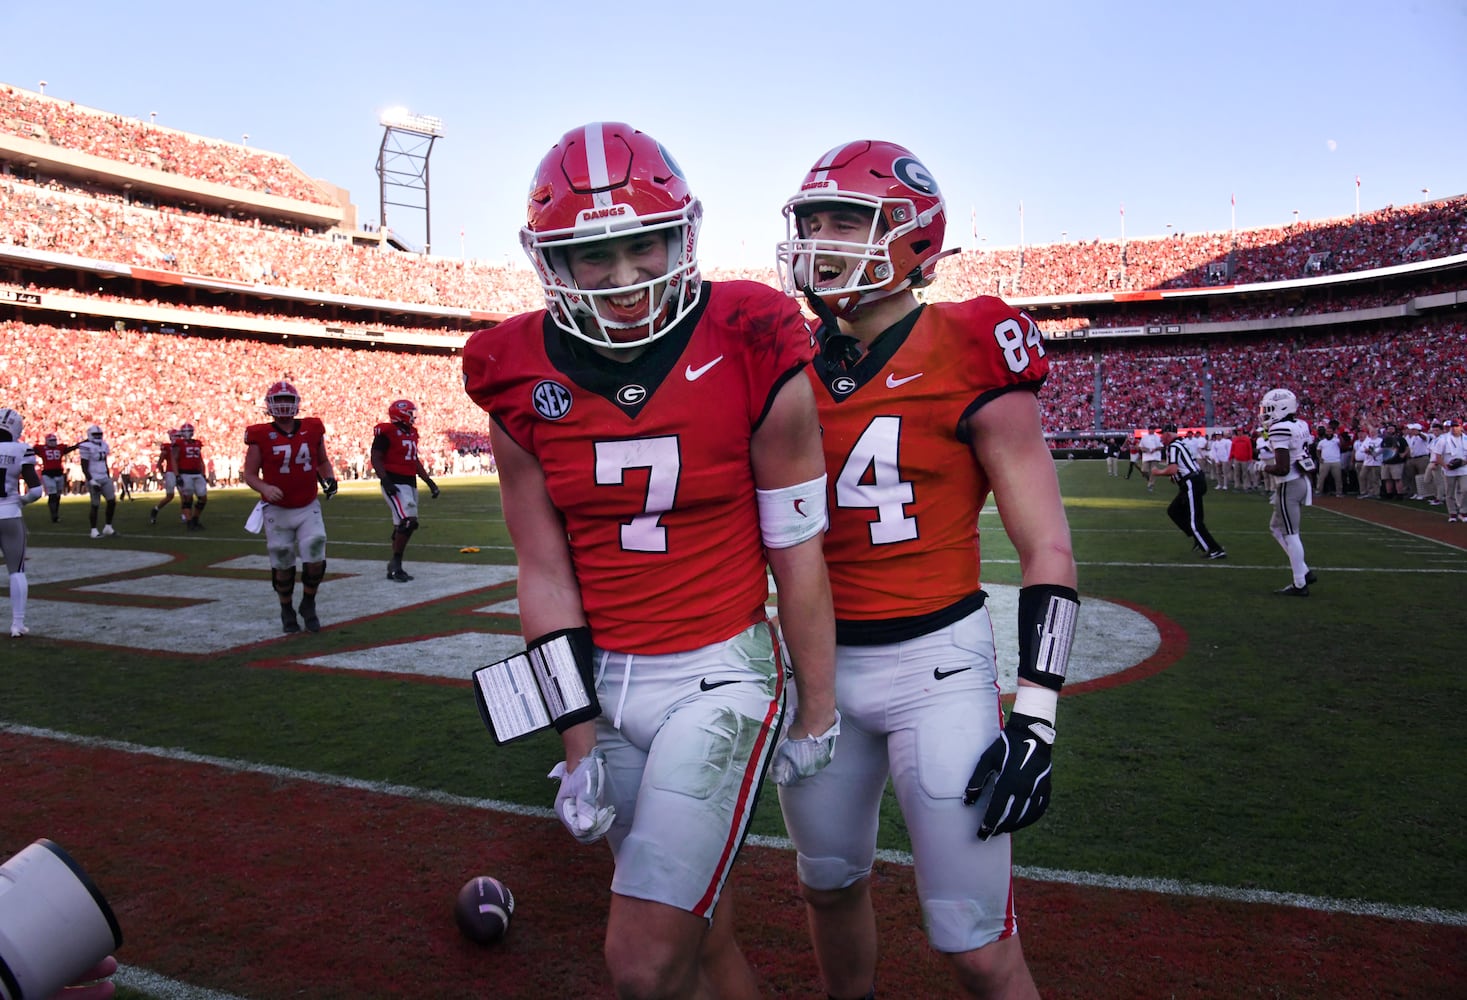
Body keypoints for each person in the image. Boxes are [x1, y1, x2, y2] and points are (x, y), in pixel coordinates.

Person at [462, 121, 839, 1000]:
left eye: (645, 243)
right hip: (606, 677)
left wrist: (816, 707)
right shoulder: (512, 370)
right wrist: (575, 737)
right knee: (700, 942)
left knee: (640, 958)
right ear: (550, 260)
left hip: (720, 672)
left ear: (683, 234)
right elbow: (545, 574)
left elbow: (796, 548)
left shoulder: (750, 331)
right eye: (594, 253)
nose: (625, 276)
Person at [772, 139, 1079, 999]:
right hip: (816, 671)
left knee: (974, 942)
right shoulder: (781, 357)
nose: (823, 240)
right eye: (812, 221)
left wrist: (1039, 716)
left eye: (848, 220)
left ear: (913, 240)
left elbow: (1046, 548)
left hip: (935, 670)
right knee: (825, 885)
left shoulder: (972, 342)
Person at [241, 381, 337, 634]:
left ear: (296, 403)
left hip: (307, 504)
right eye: (279, 400)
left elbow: (323, 462)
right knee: (282, 559)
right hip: (277, 507)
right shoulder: (260, 434)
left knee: (315, 548)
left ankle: (308, 602)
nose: (283, 405)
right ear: (269, 404)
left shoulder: (312, 428)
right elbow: (250, 474)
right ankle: (286, 607)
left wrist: (330, 479)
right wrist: (264, 487)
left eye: (287, 399)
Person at [370, 399, 439, 582]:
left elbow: (414, 460)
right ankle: (395, 564)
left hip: (409, 482)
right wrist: (385, 480)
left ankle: (394, 567)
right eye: (410, 412)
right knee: (409, 522)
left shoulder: (412, 433)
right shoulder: (387, 432)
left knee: (401, 525)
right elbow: (376, 457)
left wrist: (429, 481)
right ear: (400, 414)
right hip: (394, 481)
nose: (413, 416)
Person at [1259, 389, 1317, 596]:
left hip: (1289, 483)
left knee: (1291, 534)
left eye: (1269, 409)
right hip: (1300, 481)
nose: (1265, 413)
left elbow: (1282, 467)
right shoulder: (1300, 424)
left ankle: (1300, 583)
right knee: (1275, 527)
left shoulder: (1280, 428)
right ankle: (1304, 570)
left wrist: (1263, 467)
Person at [0, 407, 43, 637]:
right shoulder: (21, 449)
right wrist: (21, 501)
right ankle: (17, 624)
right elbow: (36, 491)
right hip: (9, 514)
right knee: (16, 571)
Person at [1155, 423, 1225, 558]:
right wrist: (1176, 477)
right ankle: (1199, 538)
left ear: (1168, 434)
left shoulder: (1174, 446)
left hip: (1191, 483)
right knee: (1174, 510)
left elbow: (1173, 469)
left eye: (1162, 435)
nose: (1161, 438)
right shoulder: (1181, 444)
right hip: (1192, 480)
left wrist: (1158, 472)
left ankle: (1215, 549)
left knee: (1195, 520)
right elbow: (1185, 465)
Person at [66, 425, 118, 538]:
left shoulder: (104, 445)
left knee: (112, 501)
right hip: (94, 477)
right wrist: (91, 480)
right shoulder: (85, 446)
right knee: (95, 504)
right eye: (96, 435)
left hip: (104, 476)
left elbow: (104, 462)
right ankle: (93, 530)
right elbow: (84, 466)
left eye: (99, 434)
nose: (98, 437)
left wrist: (108, 475)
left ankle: (108, 527)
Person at [1429, 418, 1467, 522]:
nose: (1454, 428)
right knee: (1449, 492)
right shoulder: (1443, 439)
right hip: (1449, 469)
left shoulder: (1466, 439)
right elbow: (1438, 455)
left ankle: (1463, 511)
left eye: (1456, 426)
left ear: (1461, 427)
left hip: (1463, 469)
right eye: (1452, 426)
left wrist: (1463, 462)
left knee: (1465, 489)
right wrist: (1445, 466)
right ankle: (1453, 513)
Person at [172, 422, 209, 530]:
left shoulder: (197, 443)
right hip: (185, 473)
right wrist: (177, 475)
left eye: (189, 431)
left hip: (197, 473)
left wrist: (203, 473)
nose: (188, 433)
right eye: (186, 431)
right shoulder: (179, 443)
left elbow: (200, 460)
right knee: (187, 499)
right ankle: (189, 522)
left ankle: (195, 519)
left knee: (203, 498)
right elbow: (174, 459)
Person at [150, 428, 180, 525]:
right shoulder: (167, 447)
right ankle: (156, 509)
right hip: (171, 472)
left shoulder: (182, 446)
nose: (178, 438)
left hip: (181, 473)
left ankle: (185, 516)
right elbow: (160, 462)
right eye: (176, 436)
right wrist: (163, 473)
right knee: (170, 496)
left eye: (179, 436)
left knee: (185, 495)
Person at [38, 431, 67, 522]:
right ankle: (54, 515)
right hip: (48, 474)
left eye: (54, 440)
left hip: (59, 473)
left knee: (58, 495)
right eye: (51, 440)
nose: (53, 442)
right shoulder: (42, 448)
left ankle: (56, 513)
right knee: (52, 494)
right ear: (47, 441)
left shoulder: (60, 448)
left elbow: (69, 449)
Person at [1138, 426, 1163, 491]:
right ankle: (1149, 479)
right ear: (1148, 430)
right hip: (1146, 456)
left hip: (1155, 456)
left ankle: (1151, 485)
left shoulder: (1158, 437)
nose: (1151, 430)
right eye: (1150, 429)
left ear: (1154, 430)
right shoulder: (1144, 437)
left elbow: (1161, 446)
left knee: (1153, 471)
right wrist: (1144, 449)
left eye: (1152, 429)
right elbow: (1140, 446)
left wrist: (1155, 449)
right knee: (1144, 470)